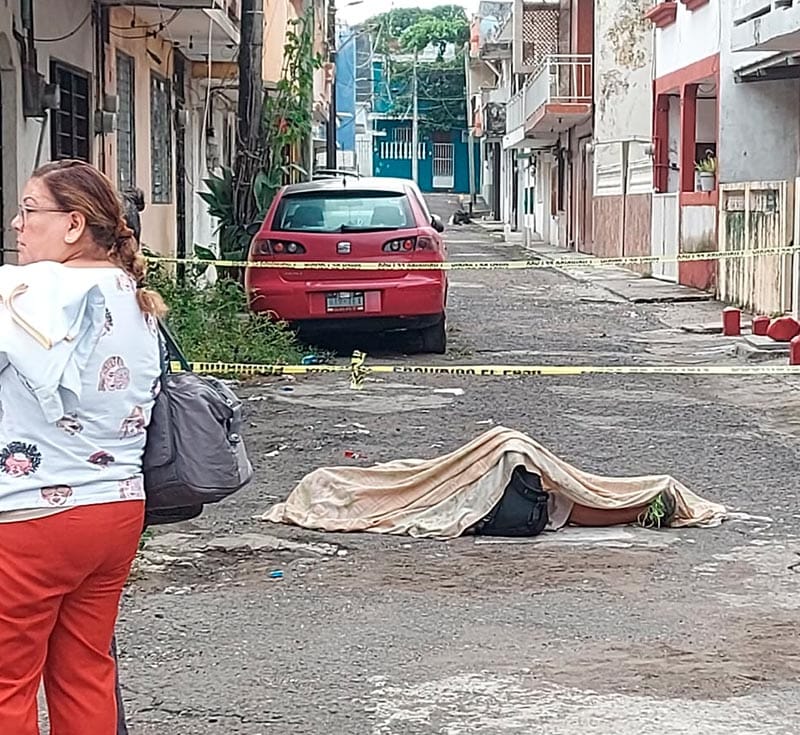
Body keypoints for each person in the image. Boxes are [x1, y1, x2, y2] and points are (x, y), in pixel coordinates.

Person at [0, 159, 165, 733]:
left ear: (73, 224)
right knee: (84, 672)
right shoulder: (134, 296)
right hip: (115, 511)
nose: (17, 224)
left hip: (30, 515)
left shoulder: (32, 290)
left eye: (29, 210)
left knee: (6, 683)